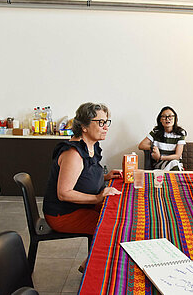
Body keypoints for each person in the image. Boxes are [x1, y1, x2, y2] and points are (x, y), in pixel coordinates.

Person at [42, 102, 122, 272]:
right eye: (100, 122)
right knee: (113, 226)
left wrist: (106, 177)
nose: (105, 127)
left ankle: (97, 261)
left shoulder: (91, 146)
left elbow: (85, 176)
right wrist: (97, 198)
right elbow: (64, 193)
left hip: (82, 207)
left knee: (118, 214)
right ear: (84, 126)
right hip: (63, 214)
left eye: (107, 122)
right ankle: (92, 267)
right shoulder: (74, 154)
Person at [138, 106, 186, 171]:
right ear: (160, 120)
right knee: (173, 166)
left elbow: (177, 155)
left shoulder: (180, 134)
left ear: (175, 119)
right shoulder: (156, 132)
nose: (167, 119)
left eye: (170, 116)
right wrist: (154, 148)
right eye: (164, 116)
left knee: (174, 163)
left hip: (175, 163)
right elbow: (141, 145)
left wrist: (160, 157)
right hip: (160, 164)